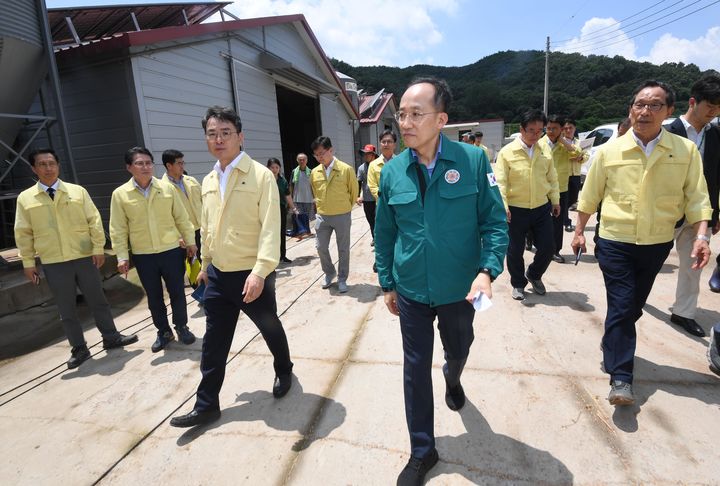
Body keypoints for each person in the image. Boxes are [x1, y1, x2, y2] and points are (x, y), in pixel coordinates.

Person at [375, 77, 508, 486]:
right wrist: (387, 281)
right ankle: (422, 450)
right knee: (415, 369)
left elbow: (495, 222)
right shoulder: (392, 170)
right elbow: (385, 232)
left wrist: (487, 270)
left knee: (459, 347)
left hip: (459, 290)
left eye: (417, 114)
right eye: (402, 114)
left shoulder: (473, 161)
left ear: (441, 118)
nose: (406, 122)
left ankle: (453, 375)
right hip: (412, 289)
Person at [572, 80, 712, 406]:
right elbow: (589, 196)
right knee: (622, 305)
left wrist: (702, 235)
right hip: (614, 241)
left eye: (654, 105)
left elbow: (697, 197)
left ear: (668, 111)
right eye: (639, 104)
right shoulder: (608, 151)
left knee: (632, 307)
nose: (644, 111)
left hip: (657, 242)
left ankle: (613, 343)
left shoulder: (684, 150)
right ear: (630, 109)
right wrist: (579, 231)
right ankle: (622, 377)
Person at [170, 106, 294, 428]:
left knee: (269, 327)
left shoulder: (261, 176)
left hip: (253, 274)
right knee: (214, 341)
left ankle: (284, 368)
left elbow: (270, 227)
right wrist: (206, 265)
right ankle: (207, 404)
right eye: (212, 134)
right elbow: (208, 227)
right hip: (219, 276)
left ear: (240, 136)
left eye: (225, 133)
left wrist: (260, 271)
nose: (219, 139)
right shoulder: (210, 180)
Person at [14, 149, 137, 369]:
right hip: (54, 261)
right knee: (66, 308)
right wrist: (28, 262)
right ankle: (79, 348)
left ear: (58, 166)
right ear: (34, 169)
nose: (48, 168)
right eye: (42, 164)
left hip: (84, 257)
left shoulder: (77, 192)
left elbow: (94, 220)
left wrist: (98, 247)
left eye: (51, 163)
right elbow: (23, 232)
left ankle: (111, 337)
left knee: (98, 300)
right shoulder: (26, 199)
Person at [109, 147, 197, 352]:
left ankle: (182, 326)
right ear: (129, 167)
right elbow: (118, 229)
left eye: (149, 163)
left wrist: (191, 242)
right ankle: (163, 331)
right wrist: (122, 256)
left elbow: (182, 218)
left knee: (177, 292)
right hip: (143, 255)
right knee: (154, 295)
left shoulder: (166, 189)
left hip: (171, 251)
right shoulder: (120, 195)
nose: (146, 167)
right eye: (139, 163)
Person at [666, 76, 720, 310]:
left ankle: (684, 313)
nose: (714, 112)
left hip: (699, 213)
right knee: (647, 263)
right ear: (692, 102)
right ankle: (633, 302)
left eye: (719, 108)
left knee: (693, 266)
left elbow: (716, 176)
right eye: (710, 106)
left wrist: (715, 213)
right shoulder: (668, 132)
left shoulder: (716, 135)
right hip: (666, 211)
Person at [495, 109, 560, 301]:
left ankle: (534, 274)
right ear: (521, 129)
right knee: (515, 250)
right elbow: (500, 182)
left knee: (548, 247)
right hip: (515, 210)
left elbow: (552, 178)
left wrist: (555, 200)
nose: (536, 135)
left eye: (540, 130)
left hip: (541, 208)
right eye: (531, 130)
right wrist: (503, 205)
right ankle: (518, 283)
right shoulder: (507, 153)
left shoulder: (545, 151)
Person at [309, 136, 358, 294]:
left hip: (342, 215)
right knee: (320, 246)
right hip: (323, 216)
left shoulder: (345, 169)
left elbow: (354, 192)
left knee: (343, 249)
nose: (319, 157)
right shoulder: (315, 172)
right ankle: (330, 273)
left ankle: (342, 278)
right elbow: (314, 192)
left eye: (322, 153)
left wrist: (344, 207)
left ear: (331, 150)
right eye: (316, 155)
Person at [161, 149, 205, 301]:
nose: (182, 166)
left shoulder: (191, 181)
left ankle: (208, 293)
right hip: (182, 235)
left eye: (182, 162)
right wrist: (178, 236)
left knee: (205, 263)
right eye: (178, 163)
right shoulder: (162, 188)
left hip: (201, 229)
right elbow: (164, 216)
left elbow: (204, 203)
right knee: (190, 265)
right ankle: (200, 294)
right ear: (169, 165)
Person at [540, 115, 582, 263]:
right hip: (542, 188)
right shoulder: (540, 143)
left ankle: (555, 250)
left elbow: (579, 155)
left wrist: (563, 141)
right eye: (548, 128)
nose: (551, 131)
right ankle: (531, 240)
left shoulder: (566, 145)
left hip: (561, 188)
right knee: (538, 220)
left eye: (555, 128)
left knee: (557, 222)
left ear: (561, 129)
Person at [267, 157, 297, 264]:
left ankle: (282, 256)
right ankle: (271, 257)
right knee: (270, 233)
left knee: (281, 232)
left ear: (279, 168)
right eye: (272, 167)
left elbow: (287, 195)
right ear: (268, 168)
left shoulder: (282, 180)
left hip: (280, 208)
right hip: (268, 209)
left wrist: (293, 208)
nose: (274, 169)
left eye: (276, 167)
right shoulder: (265, 179)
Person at [563, 118, 587, 219]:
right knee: (564, 198)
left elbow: (586, 154)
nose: (568, 130)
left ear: (574, 128)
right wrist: (570, 157)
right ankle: (566, 220)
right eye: (566, 128)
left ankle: (563, 215)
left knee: (573, 199)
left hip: (576, 174)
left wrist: (581, 158)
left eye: (570, 128)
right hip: (563, 174)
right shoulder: (561, 142)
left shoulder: (579, 142)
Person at [367, 129, 397, 201]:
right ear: (380, 144)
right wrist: (384, 198)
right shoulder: (373, 165)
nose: (386, 144)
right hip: (382, 204)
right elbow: (372, 186)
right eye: (383, 142)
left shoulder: (400, 162)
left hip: (398, 203)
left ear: (394, 145)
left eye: (389, 141)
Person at [356, 144, 378, 246]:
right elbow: (359, 182)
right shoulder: (361, 168)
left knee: (380, 219)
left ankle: (382, 238)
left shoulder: (380, 165)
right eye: (364, 154)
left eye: (367, 154)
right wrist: (358, 196)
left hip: (379, 198)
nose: (365, 156)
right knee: (371, 220)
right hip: (368, 199)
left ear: (373, 154)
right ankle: (375, 237)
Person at [290, 153, 313, 240]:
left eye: (303, 159)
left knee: (306, 216)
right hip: (297, 197)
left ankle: (307, 231)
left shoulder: (310, 172)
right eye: (300, 160)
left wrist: (314, 197)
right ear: (297, 160)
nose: (302, 161)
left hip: (308, 197)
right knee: (299, 215)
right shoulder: (294, 172)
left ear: (306, 160)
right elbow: (291, 185)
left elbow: (313, 185)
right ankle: (301, 232)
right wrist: (291, 198)